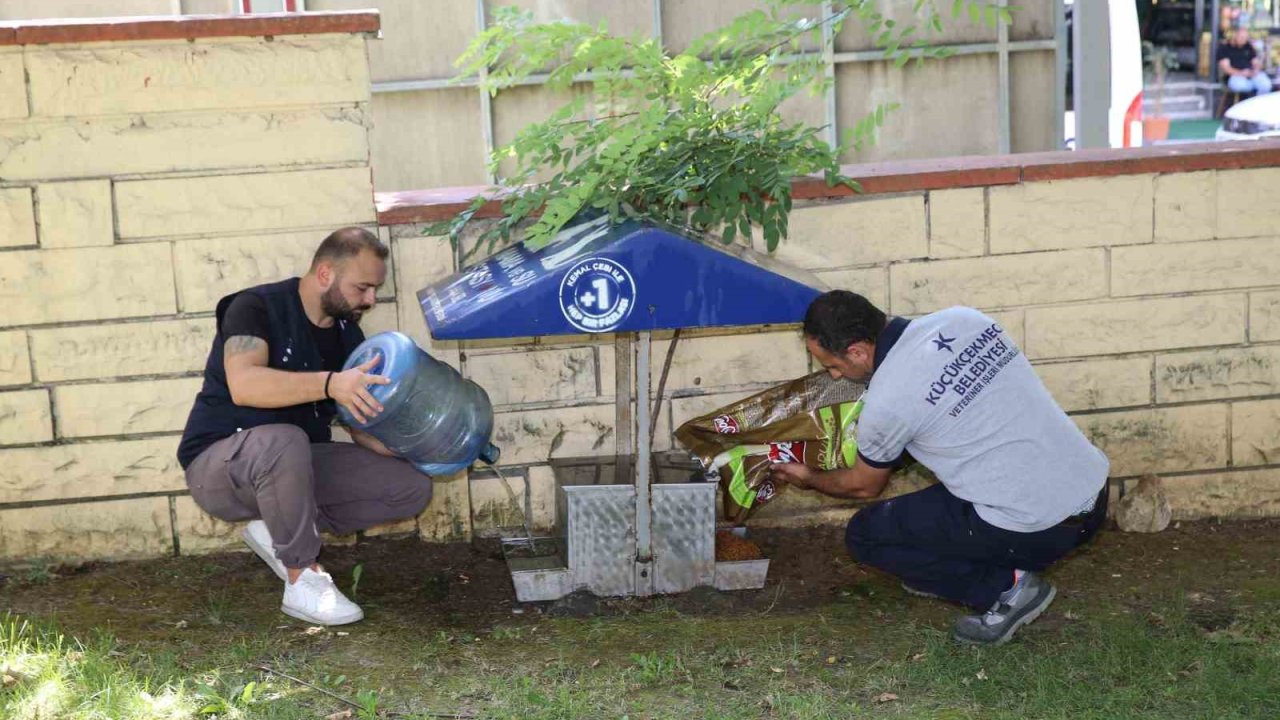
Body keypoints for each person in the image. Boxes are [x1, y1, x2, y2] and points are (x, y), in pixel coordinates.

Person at [768, 291, 1109, 645]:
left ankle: (1007, 590)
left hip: (1040, 528)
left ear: (857, 350)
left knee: (868, 534)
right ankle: (954, 568)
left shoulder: (887, 402)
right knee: (938, 503)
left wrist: (808, 477)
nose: (836, 377)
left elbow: (862, 486)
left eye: (832, 366)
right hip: (1093, 494)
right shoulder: (966, 320)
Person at [177, 227, 432, 626]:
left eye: (374, 290)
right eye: (363, 287)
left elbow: (356, 418)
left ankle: (278, 531)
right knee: (284, 440)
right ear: (326, 274)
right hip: (220, 464)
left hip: (295, 462)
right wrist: (331, 382)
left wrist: (402, 448)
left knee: (409, 487)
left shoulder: (348, 334)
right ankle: (300, 577)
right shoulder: (254, 306)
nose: (370, 300)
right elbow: (244, 385)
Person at [1218, 26, 1272, 97]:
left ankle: (1258, 104)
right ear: (1235, 35)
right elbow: (1226, 69)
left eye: (1245, 38)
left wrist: (1256, 69)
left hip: (1250, 74)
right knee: (1239, 85)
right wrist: (1242, 73)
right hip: (1235, 76)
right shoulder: (1225, 48)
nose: (1243, 40)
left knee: (1266, 84)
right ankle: (1250, 101)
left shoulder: (1248, 46)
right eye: (1241, 37)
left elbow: (1255, 62)